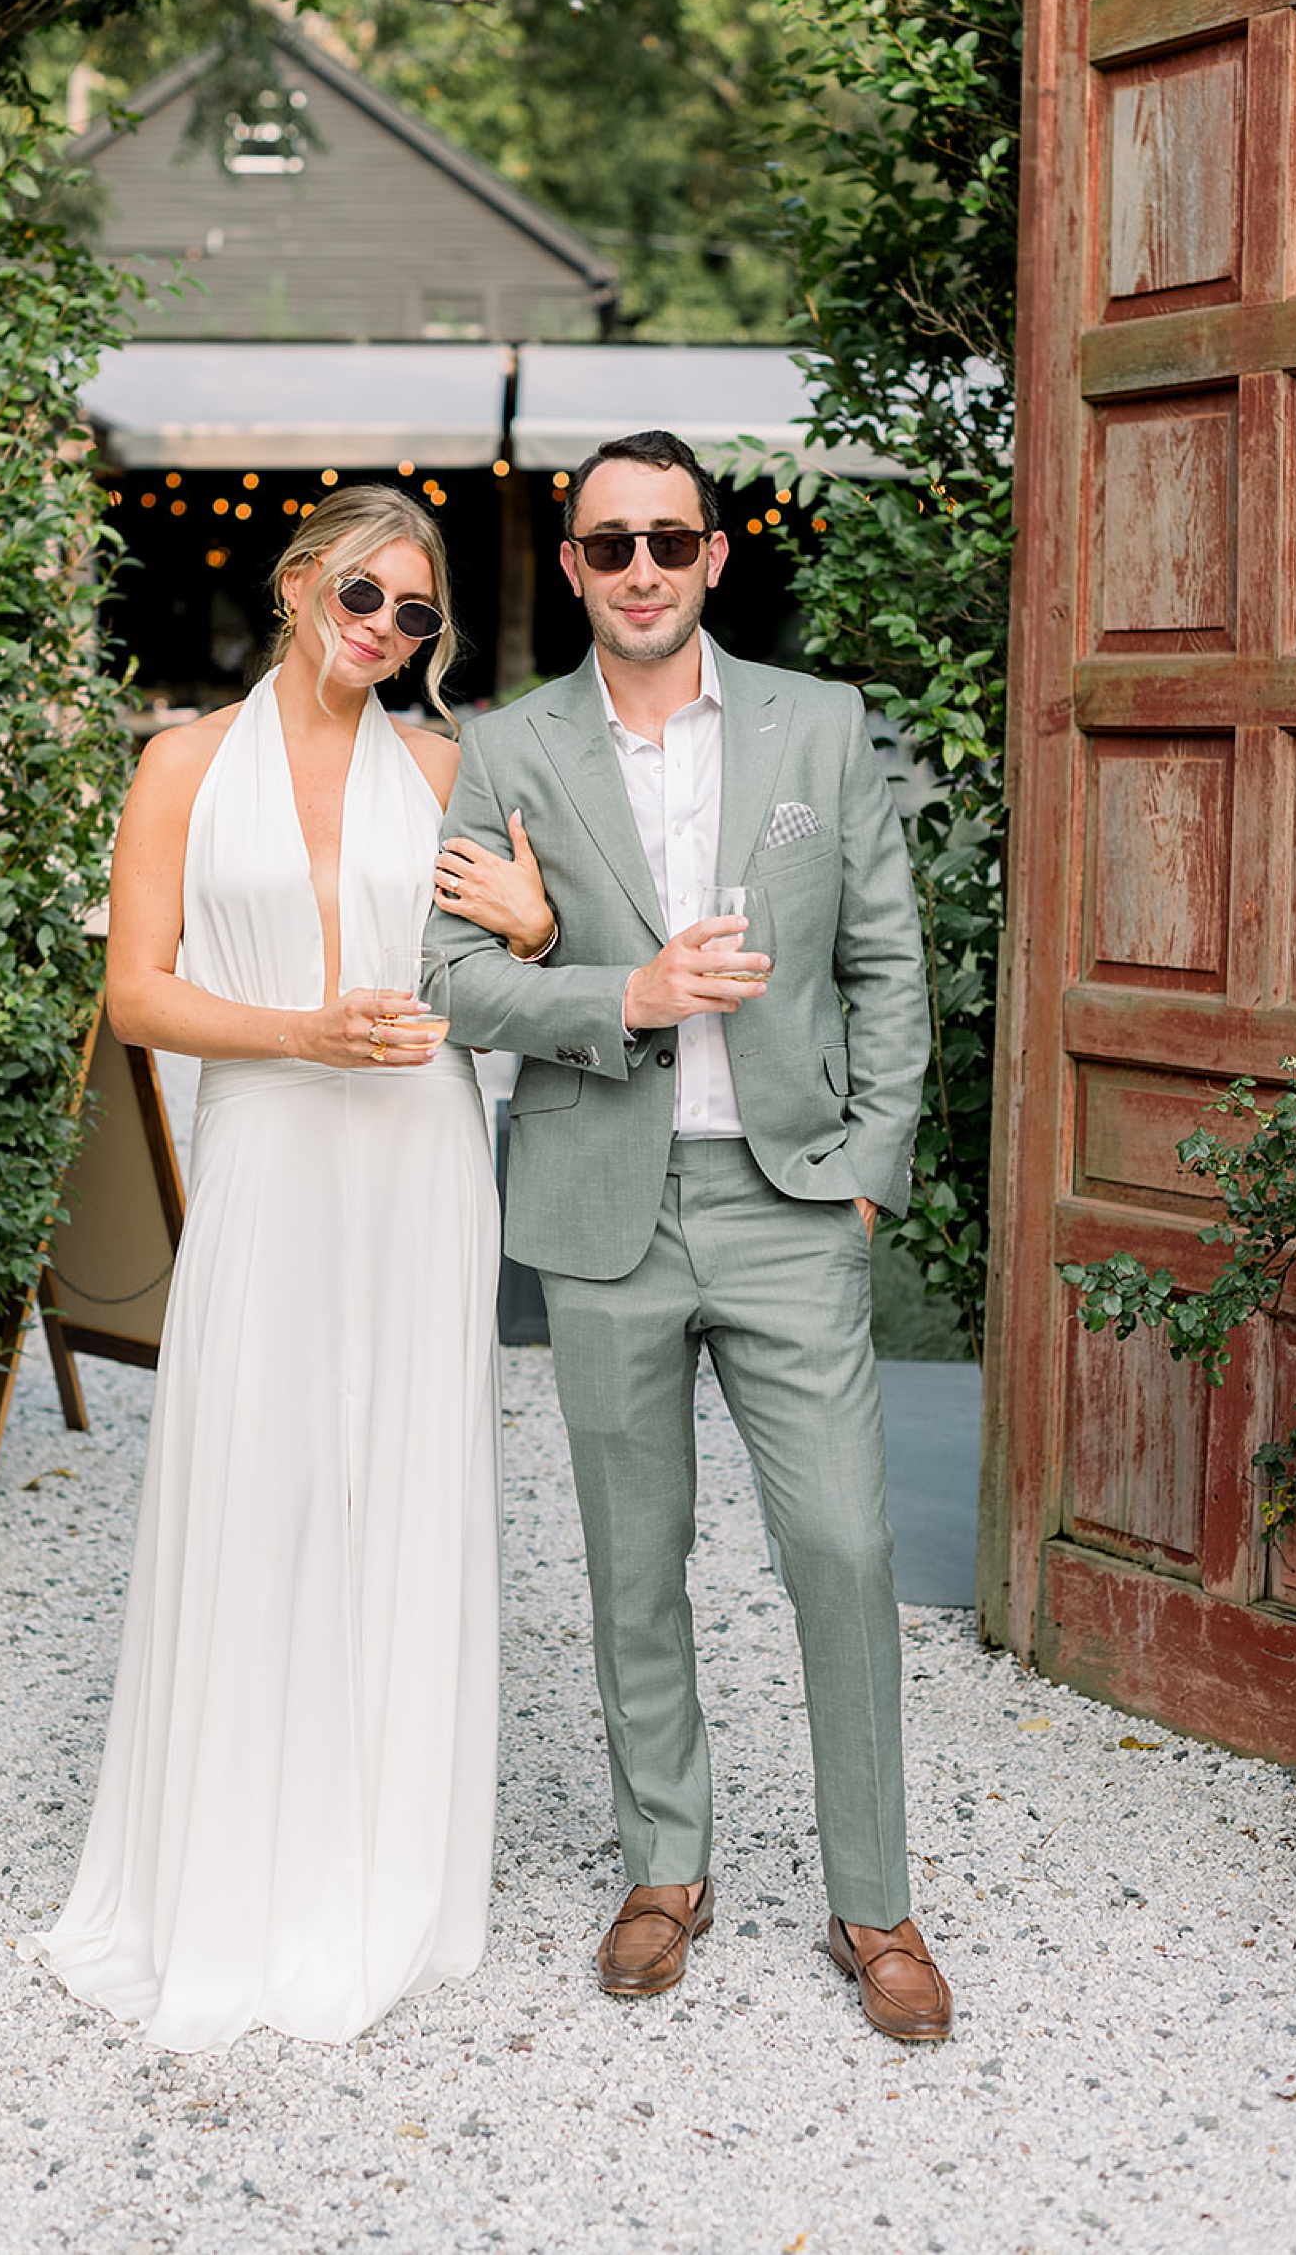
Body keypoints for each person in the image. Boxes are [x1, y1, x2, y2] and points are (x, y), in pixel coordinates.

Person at [429, 430, 952, 2043]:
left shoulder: (819, 724)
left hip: (792, 1203)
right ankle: (668, 1863)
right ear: (573, 566)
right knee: (630, 1560)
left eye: (670, 539)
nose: (641, 568)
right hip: (603, 1210)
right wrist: (623, 997)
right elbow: (453, 983)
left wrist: (868, 1168)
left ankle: (878, 1898)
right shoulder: (509, 748)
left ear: (716, 555)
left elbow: (887, 961)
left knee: (846, 1550)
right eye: (609, 545)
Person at [30, 486, 544, 2052]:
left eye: (418, 616)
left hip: (419, 1160)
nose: (387, 629)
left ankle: (388, 1865)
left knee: (399, 1484)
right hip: (263, 1149)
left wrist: (532, 926)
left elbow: (533, 947)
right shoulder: (181, 763)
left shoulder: (452, 770)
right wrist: (302, 1031)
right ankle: (228, 1868)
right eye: (367, 594)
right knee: (256, 1480)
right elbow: (135, 996)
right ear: (302, 577)